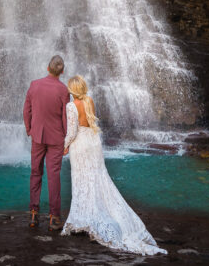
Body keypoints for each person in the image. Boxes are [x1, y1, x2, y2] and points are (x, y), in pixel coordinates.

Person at [61, 75, 166, 255]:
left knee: (82, 180)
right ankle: (101, 215)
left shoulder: (71, 106)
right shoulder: (89, 101)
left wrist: (65, 146)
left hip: (80, 144)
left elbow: (72, 131)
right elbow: (90, 123)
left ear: (72, 89)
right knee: (98, 178)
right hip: (93, 142)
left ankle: (84, 218)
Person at [23, 55, 69, 231]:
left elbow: (26, 110)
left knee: (35, 173)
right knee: (53, 175)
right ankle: (54, 217)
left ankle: (33, 214)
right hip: (57, 138)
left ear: (47, 68)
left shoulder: (34, 85)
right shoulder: (64, 90)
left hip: (37, 137)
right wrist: (67, 139)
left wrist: (30, 129)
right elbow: (65, 118)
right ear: (62, 71)